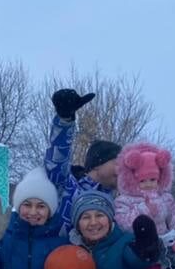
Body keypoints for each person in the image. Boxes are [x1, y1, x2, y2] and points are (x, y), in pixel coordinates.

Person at [43, 88, 120, 230]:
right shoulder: (66, 186)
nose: (123, 169)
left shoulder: (119, 205)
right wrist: (65, 120)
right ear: (98, 164)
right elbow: (57, 158)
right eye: (118, 162)